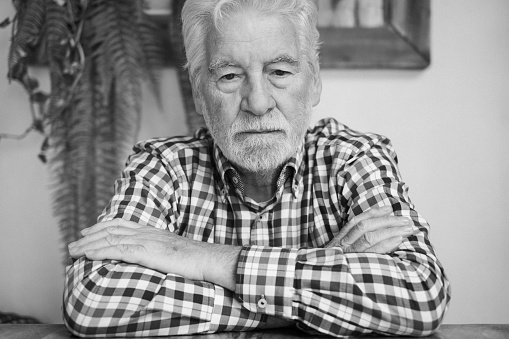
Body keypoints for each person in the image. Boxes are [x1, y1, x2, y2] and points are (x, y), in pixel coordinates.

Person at [63, 0, 451, 337]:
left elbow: (420, 294)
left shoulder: (354, 158)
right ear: (200, 92)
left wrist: (201, 258)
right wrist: (312, 286)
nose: (259, 102)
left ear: (313, 82)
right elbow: (92, 298)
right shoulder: (162, 167)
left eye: (279, 72)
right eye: (230, 76)